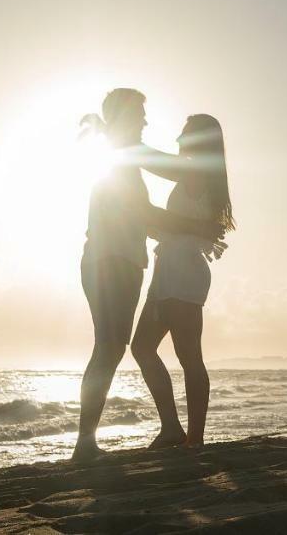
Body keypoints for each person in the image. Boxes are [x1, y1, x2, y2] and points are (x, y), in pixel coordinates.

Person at [72, 89, 221, 462]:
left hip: (135, 263)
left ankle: (173, 432)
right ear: (125, 117)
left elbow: (143, 213)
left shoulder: (125, 156)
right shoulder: (122, 157)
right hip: (114, 262)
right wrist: (198, 227)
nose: (147, 121)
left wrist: (105, 130)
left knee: (122, 347)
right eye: (140, 113)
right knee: (112, 347)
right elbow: (146, 210)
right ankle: (86, 443)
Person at [131, 114, 235, 449]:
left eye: (185, 133)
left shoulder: (195, 170)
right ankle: (173, 428)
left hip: (183, 273)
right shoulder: (199, 174)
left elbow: (151, 160)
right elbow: (183, 223)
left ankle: (195, 438)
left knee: (189, 355)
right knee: (143, 347)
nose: (178, 138)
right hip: (170, 270)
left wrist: (123, 140)